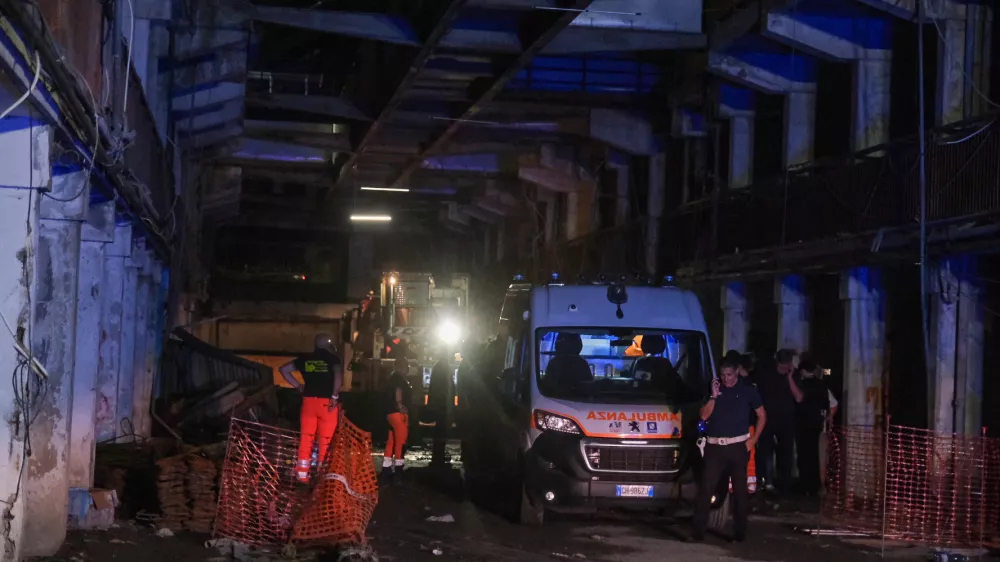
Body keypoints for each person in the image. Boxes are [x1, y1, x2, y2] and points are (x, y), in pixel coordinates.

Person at [692, 359, 767, 543]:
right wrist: (714, 396)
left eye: (729, 375)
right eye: (723, 375)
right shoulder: (716, 391)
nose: (726, 379)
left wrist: (754, 439)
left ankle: (739, 534)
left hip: (738, 447)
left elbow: (762, 415)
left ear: (737, 373)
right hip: (715, 447)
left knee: (740, 492)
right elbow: (703, 415)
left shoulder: (748, 391)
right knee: (706, 489)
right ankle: (697, 534)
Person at [279, 333, 343, 484]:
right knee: (325, 441)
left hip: (308, 403)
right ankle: (322, 476)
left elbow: (283, 370)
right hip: (327, 404)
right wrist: (334, 396)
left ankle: (302, 475)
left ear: (315, 344)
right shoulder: (332, 359)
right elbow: (339, 376)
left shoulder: (305, 359)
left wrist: (298, 386)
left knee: (306, 439)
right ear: (328, 345)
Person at [752, 349, 802, 495]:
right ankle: (764, 482)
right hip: (768, 419)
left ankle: (784, 485)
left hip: (786, 420)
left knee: (785, 453)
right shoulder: (766, 374)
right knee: (765, 451)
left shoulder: (794, 375)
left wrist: (790, 378)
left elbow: (799, 398)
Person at [793, 358, 829, 496]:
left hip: (802, 424)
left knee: (803, 455)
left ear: (803, 371)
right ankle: (815, 485)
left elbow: (798, 400)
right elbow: (825, 406)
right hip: (816, 424)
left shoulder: (802, 384)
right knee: (814, 456)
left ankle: (804, 484)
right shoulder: (821, 385)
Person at [383, 358, 412, 483]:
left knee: (391, 441)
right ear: (403, 367)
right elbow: (398, 391)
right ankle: (399, 470)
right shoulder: (400, 379)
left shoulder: (390, 378)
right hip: (398, 415)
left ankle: (386, 467)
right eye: (407, 366)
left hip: (389, 413)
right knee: (401, 442)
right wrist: (400, 406)